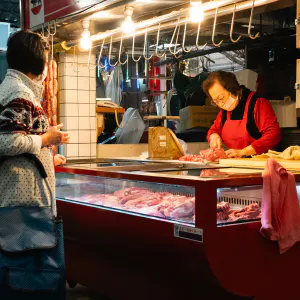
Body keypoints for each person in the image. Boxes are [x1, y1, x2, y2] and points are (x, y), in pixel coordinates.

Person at [0, 30, 70, 209]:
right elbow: (8, 142)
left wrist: (45, 158)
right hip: (22, 203)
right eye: (45, 59)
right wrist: (47, 139)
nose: (46, 65)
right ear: (35, 60)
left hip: (18, 197)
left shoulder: (12, 88)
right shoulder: (20, 93)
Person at [202, 71, 281, 158]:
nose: (221, 104)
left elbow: (273, 134)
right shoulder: (225, 111)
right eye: (216, 101)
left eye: (221, 98)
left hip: (261, 163)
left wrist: (243, 152)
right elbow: (213, 130)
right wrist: (213, 136)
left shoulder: (257, 103)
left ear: (232, 89)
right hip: (236, 164)